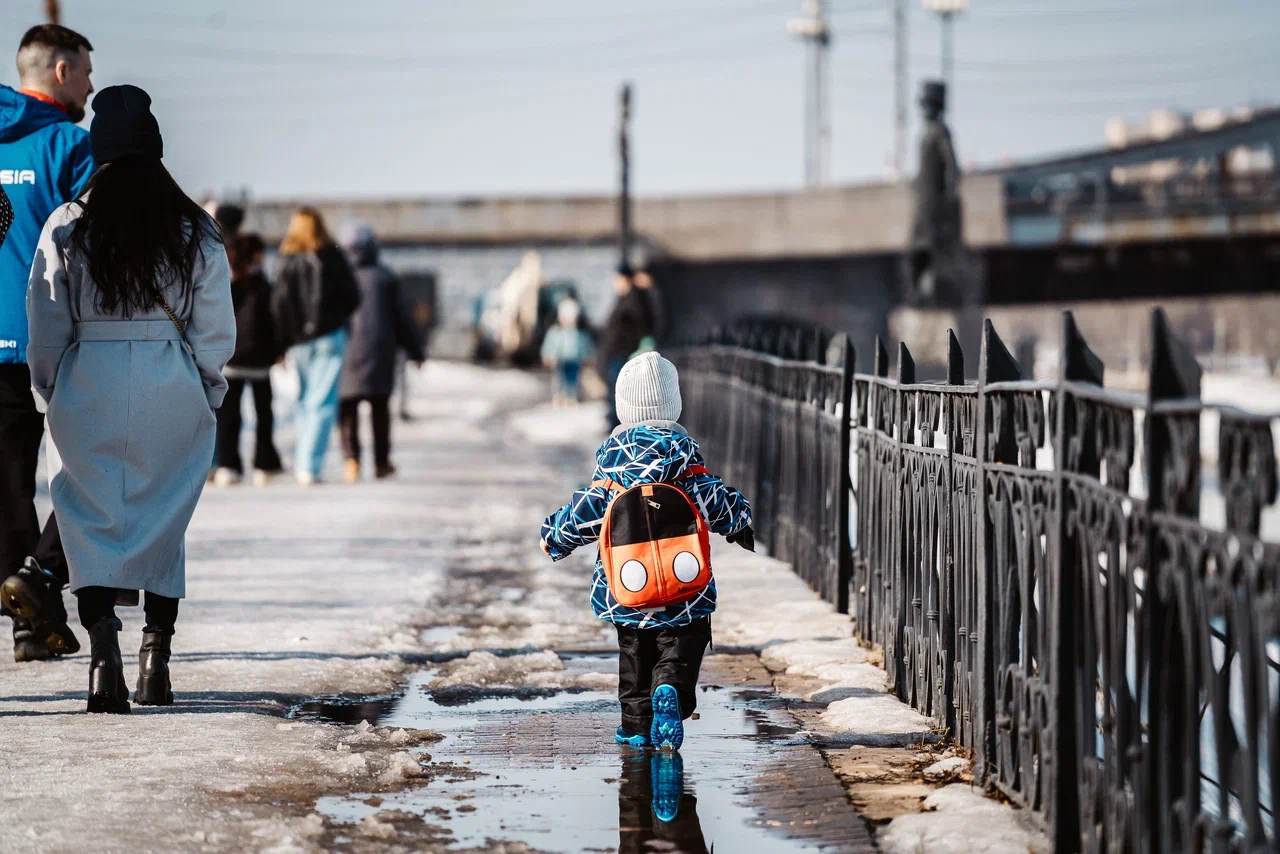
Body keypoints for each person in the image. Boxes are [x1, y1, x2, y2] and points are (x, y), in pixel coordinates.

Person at [26, 84, 235, 713]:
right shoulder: (194, 228)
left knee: (87, 524)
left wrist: (51, 389)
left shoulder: (68, 224)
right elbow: (214, 328)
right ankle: (157, 658)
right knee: (163, 524)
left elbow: (46, 321)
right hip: (169, 379)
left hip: (87, 375)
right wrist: (207, 386)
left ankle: (101, 656)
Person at [540, 352, 754, 749]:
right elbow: (726, 507)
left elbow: (579, 517)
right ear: (675, 405)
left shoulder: (611, 477)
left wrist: (552, 536)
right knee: (684, 645)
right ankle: (671, 685)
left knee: (633, 658)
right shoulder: (688, 469)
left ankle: (636, 727)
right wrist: (740, 518)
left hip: (627, 591)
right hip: (684, 589)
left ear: (623, 407)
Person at [0, 24, 96, 663]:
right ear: (61, 72)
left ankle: (35, 624)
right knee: (98, 467)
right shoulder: (68, 144)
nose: (90, 85)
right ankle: (40, 590)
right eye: (86, 71)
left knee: (6, 486)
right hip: (53, 340)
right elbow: (103, 245)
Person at [272, 207, 360, 486]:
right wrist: (335, 318)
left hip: (300, 341)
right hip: (329, 336)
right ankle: (309, 465)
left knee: (306, 400)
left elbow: (280, 304)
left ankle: (303, 462)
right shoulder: (333, 256)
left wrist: (282, 341)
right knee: (321, 402)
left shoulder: (286, 259)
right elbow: (354, 296)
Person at [336, 223, 424, 483]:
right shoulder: (386, 277)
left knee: (347, 409)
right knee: (380, 410)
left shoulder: (339, 278)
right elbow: (403, 319)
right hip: (380, 352)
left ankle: (351, 460)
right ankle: (381, 463)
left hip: (346, 351)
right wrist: (416, 350)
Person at [213, 233, 283, 487]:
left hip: (232, 358)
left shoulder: (223, 281)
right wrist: (278, 349)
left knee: (229, 416)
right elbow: (274, 319)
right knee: (264, 414)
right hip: (259, 359)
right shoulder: (262, 283)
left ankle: (228, 465)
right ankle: (264, 464)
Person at [598, 264, 654, 429]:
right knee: (615, 391)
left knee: (619, 392)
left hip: (622, 353)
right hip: (617, 352)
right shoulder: (626, 298)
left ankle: (617, 425)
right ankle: (615, 423)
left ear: (625, 279)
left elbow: (641, 325)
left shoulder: (633, 299)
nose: (615, 283)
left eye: (617, 279)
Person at [540, 297, 594, 406]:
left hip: (575, 361)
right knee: (559, 380)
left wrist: (588, 356)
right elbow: (550, 345)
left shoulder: (579, 333)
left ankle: (572, 397)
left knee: (574, 380)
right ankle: (559, 395)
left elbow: (584, 345)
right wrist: (549, 355)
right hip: (561, 361)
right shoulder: (556, 332)